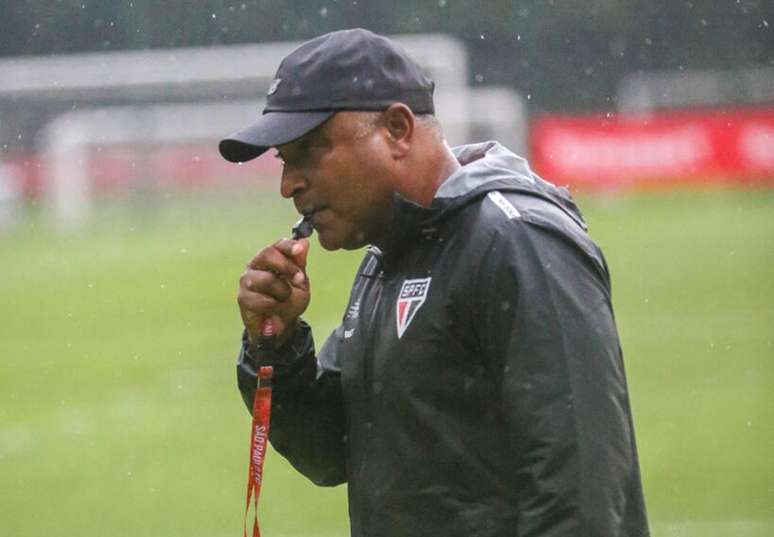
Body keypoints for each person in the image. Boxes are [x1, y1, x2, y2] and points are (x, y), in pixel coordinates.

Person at [219, 28, 649, 537]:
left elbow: (580, 492)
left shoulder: (517, 241)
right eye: (284, 160)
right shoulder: (390, 253)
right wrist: (278, 344)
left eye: (310, 150)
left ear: (397, 130)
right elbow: (332, 450)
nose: (288, 184)